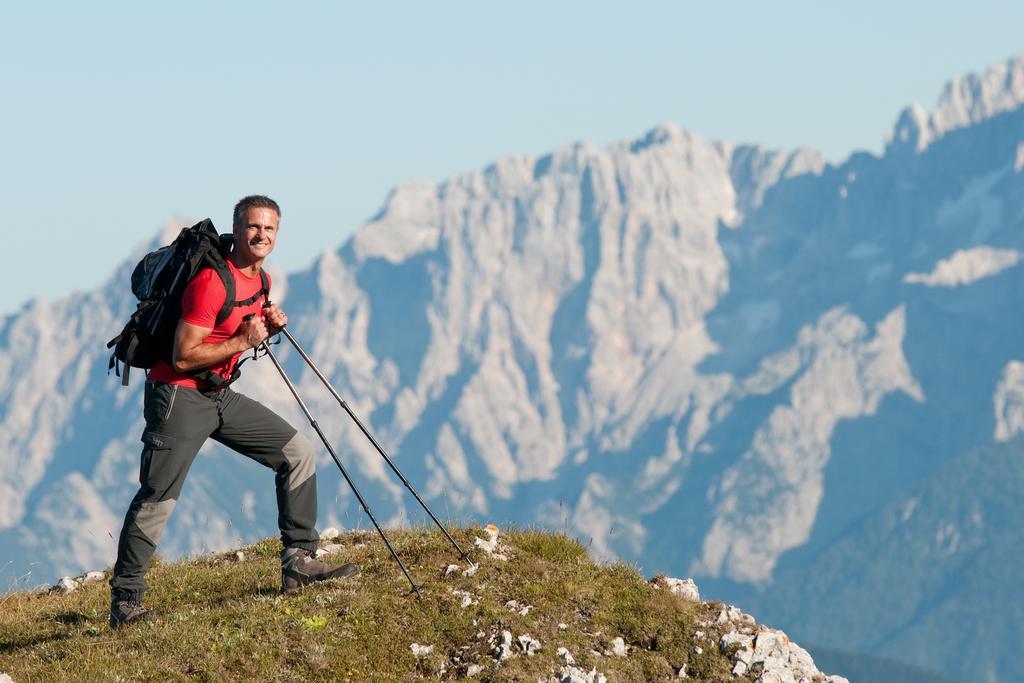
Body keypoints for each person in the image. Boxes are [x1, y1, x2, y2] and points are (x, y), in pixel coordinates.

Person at [109, 195, 357, 628]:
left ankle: (299, 561)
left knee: (298, 452)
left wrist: (269, 324)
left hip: (219, 393)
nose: (261, 236)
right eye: (253, 227)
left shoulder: (261, 282)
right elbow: (183, 355)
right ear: (237, 229)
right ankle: (126, 602)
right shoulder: (210, 282)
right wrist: (244, 341)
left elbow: (243, 324)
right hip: (178, 396)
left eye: (270, 229)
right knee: (157, 498)